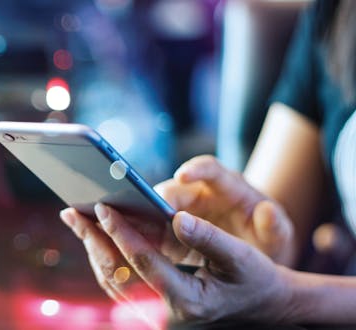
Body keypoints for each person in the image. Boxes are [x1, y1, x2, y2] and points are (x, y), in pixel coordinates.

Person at [60, 0, 356, 326]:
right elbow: (273, 226)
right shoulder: (333, 15)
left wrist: (291, 297)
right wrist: (241, 246)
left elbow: (282, 289)